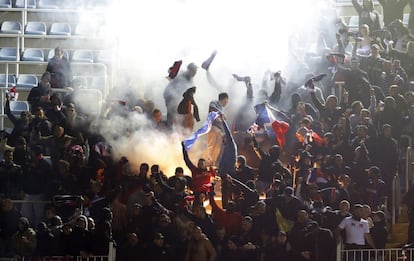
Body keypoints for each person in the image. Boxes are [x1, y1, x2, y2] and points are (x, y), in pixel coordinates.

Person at [207, 92, 229, 167]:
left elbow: (222, 124)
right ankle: (207, 163)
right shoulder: (214, 103)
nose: (226, 103)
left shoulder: (222, 109)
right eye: (226, 101)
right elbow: (212, 108)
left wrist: (224, 134)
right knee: (211, 146)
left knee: (218, 148)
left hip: (219, 130)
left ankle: (213, 164)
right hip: (213, 127)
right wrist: (220, 113)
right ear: (224, 99)